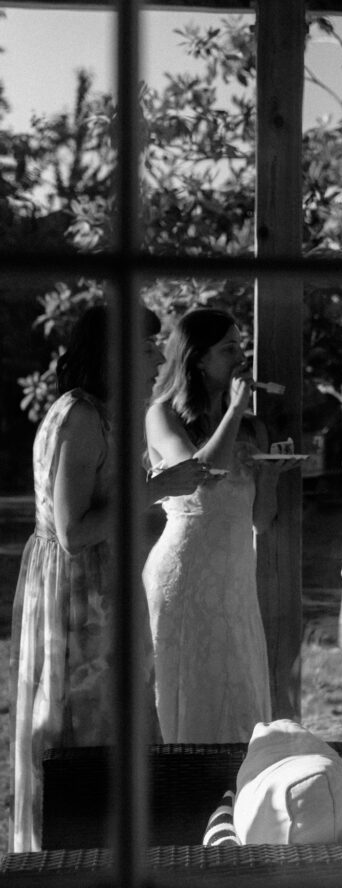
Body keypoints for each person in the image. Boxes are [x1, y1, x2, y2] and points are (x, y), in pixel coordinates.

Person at [9, 304, 211, 853]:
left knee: (120, 730)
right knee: (83, 738)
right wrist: (157, 488)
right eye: (147, 348)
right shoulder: (79, 416)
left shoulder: (106, 413)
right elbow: (73, 533)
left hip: (105, 591)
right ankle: (72, 860)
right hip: (78, 599)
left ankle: (115, 854)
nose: (159, 360)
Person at [142, 307, 297, 743]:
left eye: (240, 347)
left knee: (238, 692)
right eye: (229, 349)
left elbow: (260, 522)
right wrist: (235, 409)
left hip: (235, 581)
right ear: (197, 359)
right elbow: (201, 477)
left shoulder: (252, 429)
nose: (241, 358)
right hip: (185, 573)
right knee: (188, 688)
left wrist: (270, 476)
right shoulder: (162, 416)